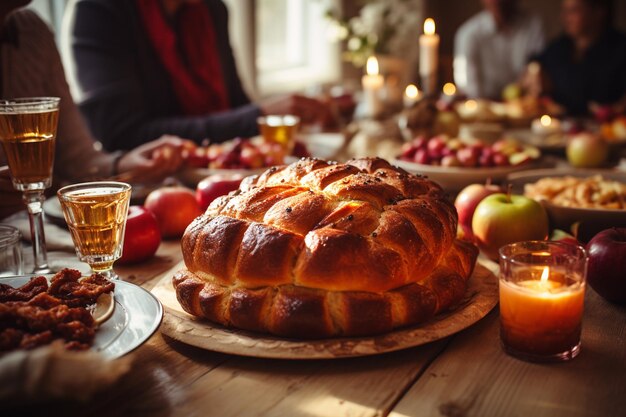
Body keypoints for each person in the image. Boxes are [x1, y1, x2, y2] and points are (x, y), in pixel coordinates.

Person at [0, 1, 193, 219]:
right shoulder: (97, 9)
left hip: (36, 226)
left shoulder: (32, 30)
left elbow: (78, 160)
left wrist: (121, 163)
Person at [62, 0, 327, 152]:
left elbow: (235, 104)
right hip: (142, 194)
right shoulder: (98, 10)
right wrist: (257, 116)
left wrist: (267, 115)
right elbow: (122, 133)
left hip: (217, 179)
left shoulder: (211, 9)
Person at [534, 0, 626, 116]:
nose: (564, 17)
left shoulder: (620, 49)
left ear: (599, 12)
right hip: (559, 126)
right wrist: (534, 72)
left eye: (573, 10)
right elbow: (535, 64)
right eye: (564, 10)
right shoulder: (559, 47)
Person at [453, 0, 545, 99]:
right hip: (484, 107)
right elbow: (468, 89)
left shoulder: (532, 24)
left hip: (525, 105)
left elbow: (537, 67)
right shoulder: (468, 34)